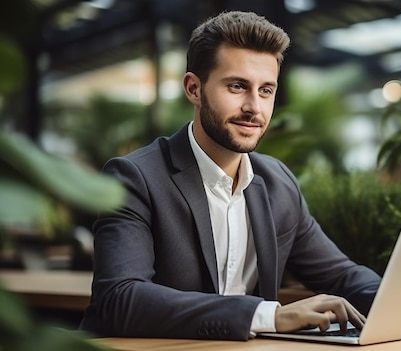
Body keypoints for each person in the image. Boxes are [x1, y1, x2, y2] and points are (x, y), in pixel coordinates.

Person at [79, 11, 381, 341]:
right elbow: (120, 299)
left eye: (266, 90)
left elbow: (342, 276)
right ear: (194, 88)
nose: (254, 107)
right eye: (237, 86)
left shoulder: (278, 183)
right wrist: (268, 315)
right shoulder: (134, 178)